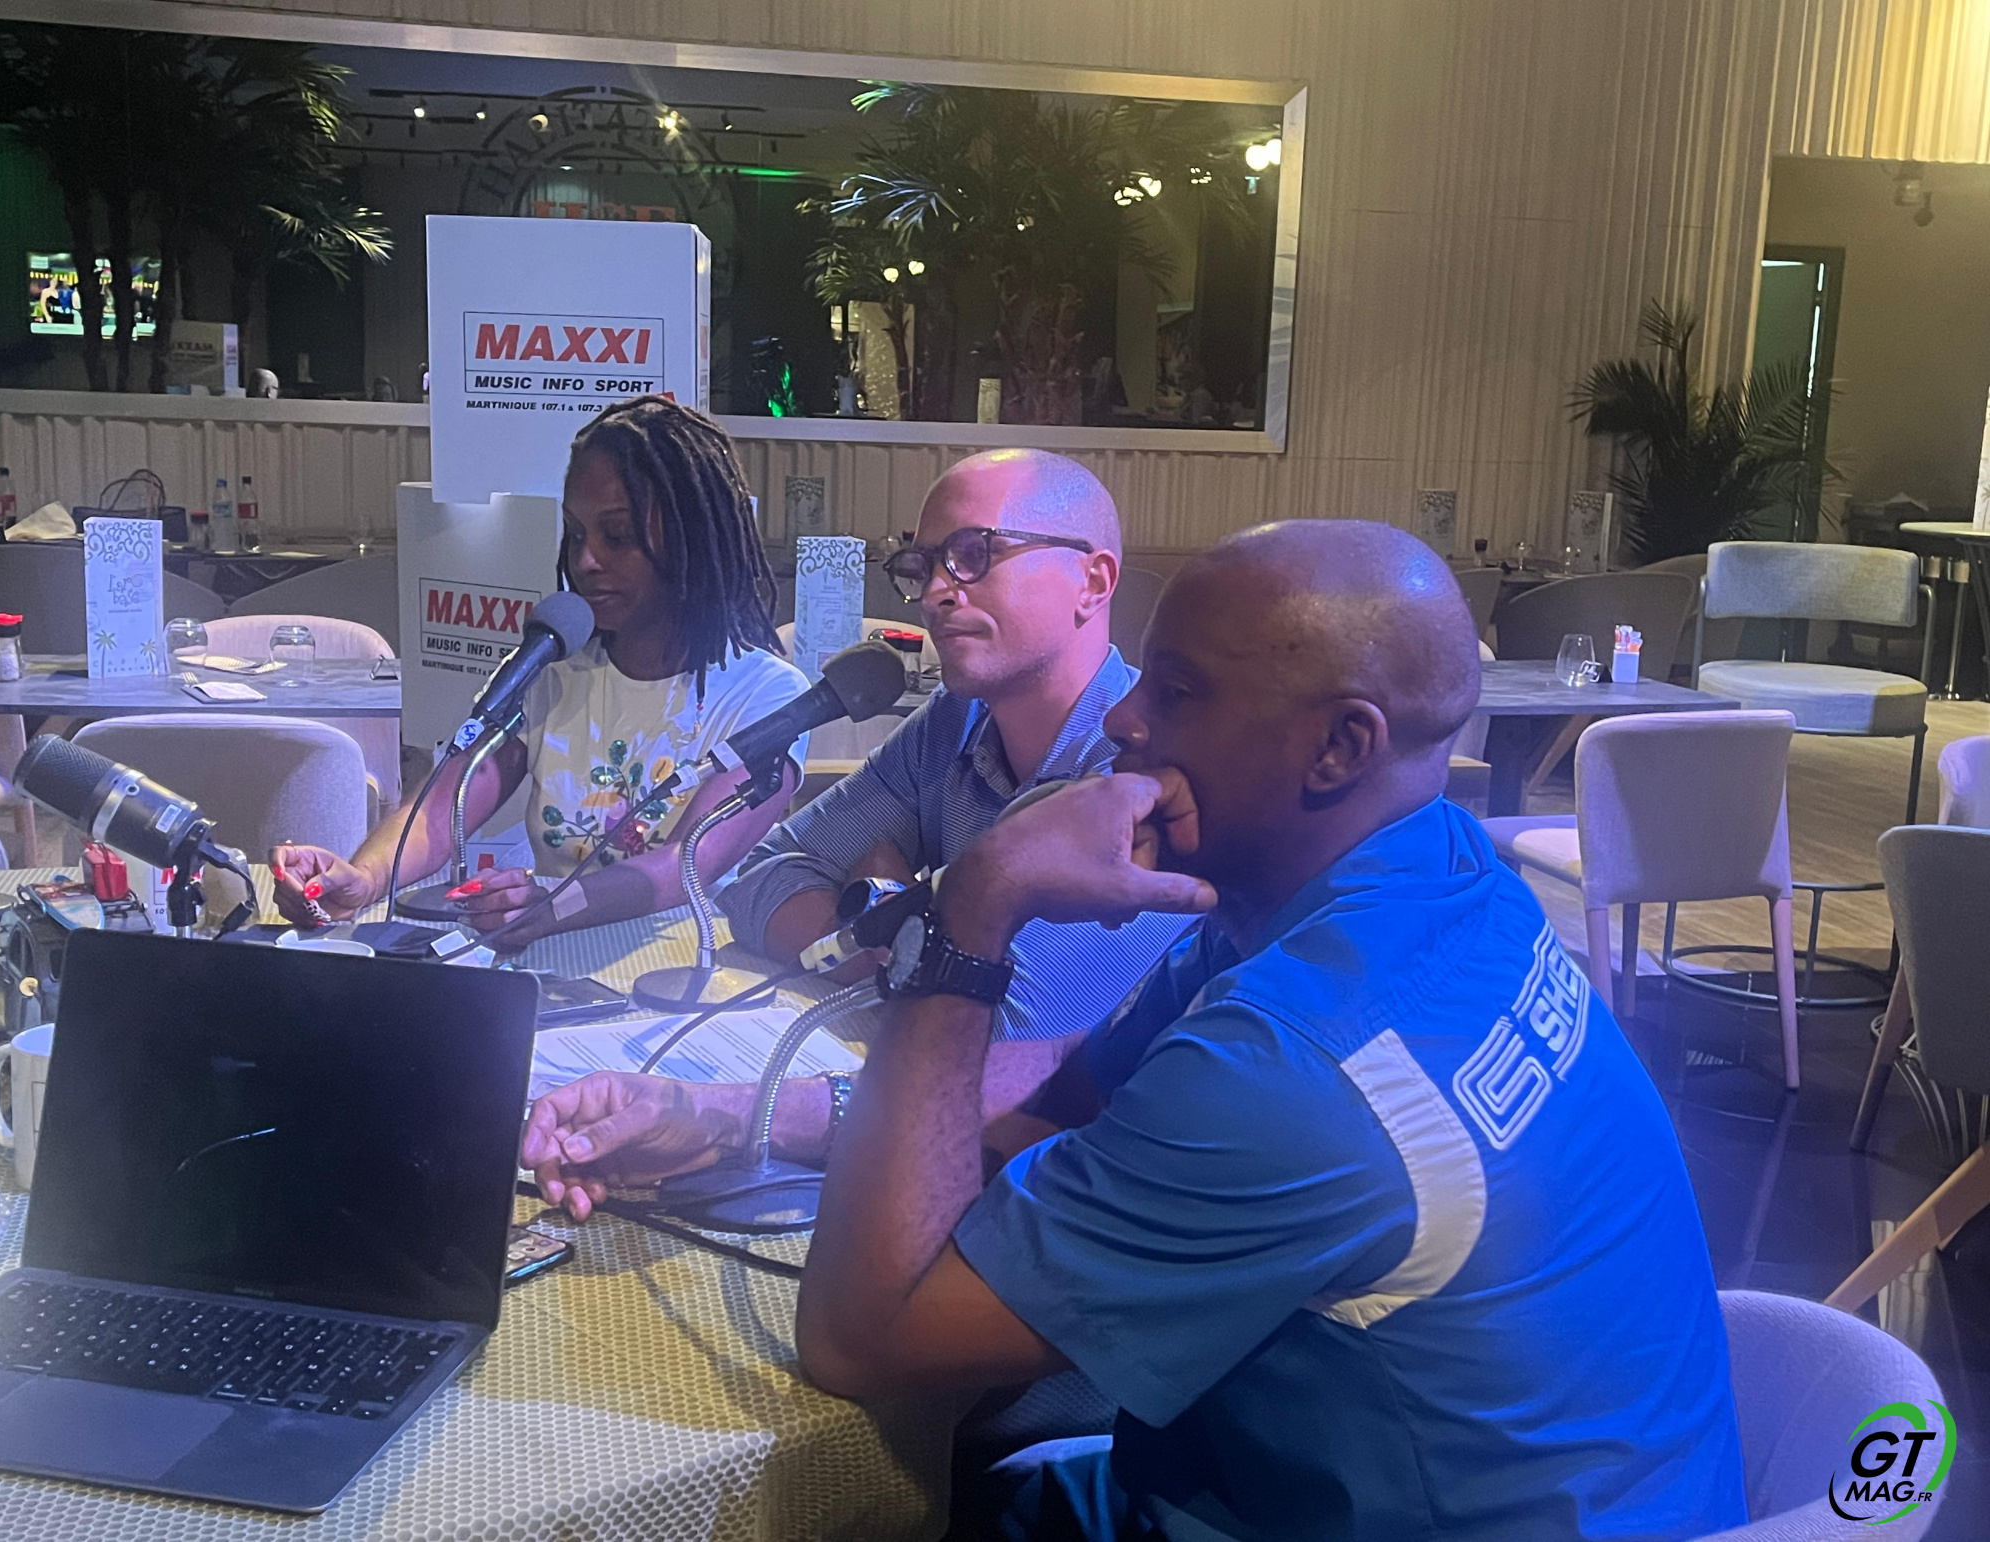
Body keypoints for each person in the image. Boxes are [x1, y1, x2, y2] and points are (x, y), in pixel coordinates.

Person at [529, 519, 1749, 1540]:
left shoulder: (1298, 1064)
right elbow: (1072, 1087)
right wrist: (731, 1121)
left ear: (1341, 746)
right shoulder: (1427, 874)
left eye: (1177, 694)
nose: (1123, 725)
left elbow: (865, 1334)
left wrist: (974, 913)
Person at [522, 449, 1194, 1190]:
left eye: (975, 554)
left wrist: (891, 918)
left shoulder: (1147, 775)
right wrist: (906, 936)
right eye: (922, 565)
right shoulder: (955, 721)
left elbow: (1005, 1029)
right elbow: (758, 879)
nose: (936, 591)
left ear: (1092, 582)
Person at [270, 397, 809, 946]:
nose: (586, 561)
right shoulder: (553, 673)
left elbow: (685, 863)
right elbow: (442, 809)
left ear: (691, 538)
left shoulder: (770, 697)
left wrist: (552, 905)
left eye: (617, 536)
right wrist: (363, 879)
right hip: (548, 964)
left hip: (690, 969)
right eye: (576, 533)